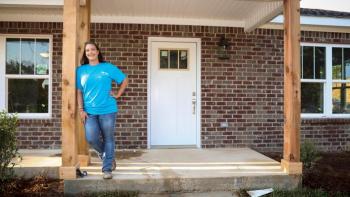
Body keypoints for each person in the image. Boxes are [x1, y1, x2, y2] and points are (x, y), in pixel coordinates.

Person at [76, 41, 128, 179]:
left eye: (93, 49)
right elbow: (79, 92)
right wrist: (81, 109)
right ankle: (106, 155)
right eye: (87, 50)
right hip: (90, 112)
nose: (90, 52)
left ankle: (107, 169)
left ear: (98, 52)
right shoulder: (81, 70)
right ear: (85, 54)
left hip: (108, 110)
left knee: (108, 138)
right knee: (91, 138)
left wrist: (117, 94)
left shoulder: (107, 67)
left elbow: (124, 80)